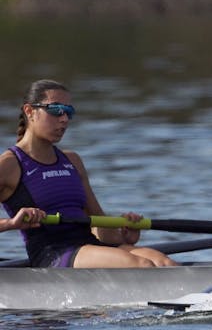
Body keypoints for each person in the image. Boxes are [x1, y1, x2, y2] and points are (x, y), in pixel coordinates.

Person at [0, 79, 176, 268]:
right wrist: (11, 223)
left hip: (89, 246)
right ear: (29, 111)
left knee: (164, 263)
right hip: (53, 254)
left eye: (68, 112)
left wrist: (123, 235)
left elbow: (97, 220)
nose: (64, 119)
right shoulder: (10, 164)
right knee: (142, 265)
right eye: (56, 110)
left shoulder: (72, 161)